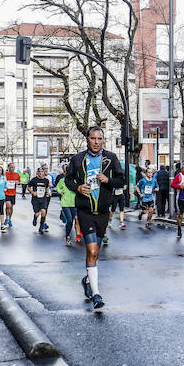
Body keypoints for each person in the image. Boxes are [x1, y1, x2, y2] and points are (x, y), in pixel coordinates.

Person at [64, 126, 125, 310]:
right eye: (93, 138)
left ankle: (87, 279)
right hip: (85, 211)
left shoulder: (111, 158)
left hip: (103, 212)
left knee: (95, 253)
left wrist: (109, 180)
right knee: (91, 251)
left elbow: (121, 180)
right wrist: (78, 188)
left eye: (99, 138)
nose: (96, 142)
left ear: (103, 140)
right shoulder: (78, 159)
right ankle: (96, 294)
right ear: (87, 139)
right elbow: (68, 180)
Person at [55, 163, 79, 246]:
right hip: (65, 203)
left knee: (71, 221)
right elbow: (57, 187)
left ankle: (68, 234)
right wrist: (60, 191)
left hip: (74, 203)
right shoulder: (63, 180)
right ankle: (68, 237)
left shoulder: (76, 180)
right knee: (69, 220)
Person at [3, 163, 21, 231]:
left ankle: (10, 219)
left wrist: (18, 182)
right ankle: (7, 218)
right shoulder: (5, 174)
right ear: (8, 167)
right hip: (6, 192)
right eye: (11, 167)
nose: (12, 168)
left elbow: (19, 182)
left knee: (11, 207)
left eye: (13, 167)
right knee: (8, 206)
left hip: (13, 193)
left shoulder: (17, 174)